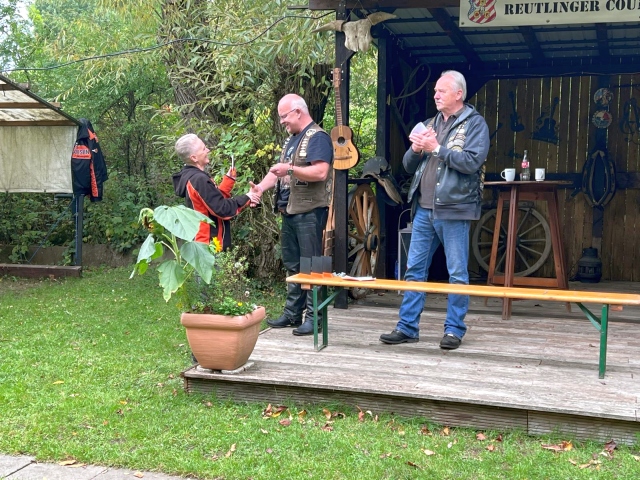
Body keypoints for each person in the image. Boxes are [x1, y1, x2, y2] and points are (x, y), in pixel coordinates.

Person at [379, 70, 490, 350]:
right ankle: (407, 327)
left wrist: (436, 148)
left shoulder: (475, 124)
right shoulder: (430, 123)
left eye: (442, 90)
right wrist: (416, 149)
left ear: (459, 94)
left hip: (454, 210)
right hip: (423, 209)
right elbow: (407, 166)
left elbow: (471, 162)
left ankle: (454, 330)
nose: (435, 95)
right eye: (435, 91)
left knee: (457, 273)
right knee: (414, 269)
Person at [252, 94, 334, 336]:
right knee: (292, 264)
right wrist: (259, 188)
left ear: (298, 111)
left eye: (284, 116)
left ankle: (315, 317)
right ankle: (292, 314)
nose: (282, 122)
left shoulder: (318, 137)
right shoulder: (292, 139)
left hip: (310, 212)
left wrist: (289, 168)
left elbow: (320, 172)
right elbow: (276, 173)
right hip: (289, 210)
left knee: (312, 265)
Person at [172, 133, 261, 250]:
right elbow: (222, 209)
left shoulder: (192, 176)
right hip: (209, 245)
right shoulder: (198, 179)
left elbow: (212, 202)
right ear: (194, 158)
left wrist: (229, 181)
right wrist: (247, 197)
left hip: (206, 242)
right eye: (204, 149)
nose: (208, 150)